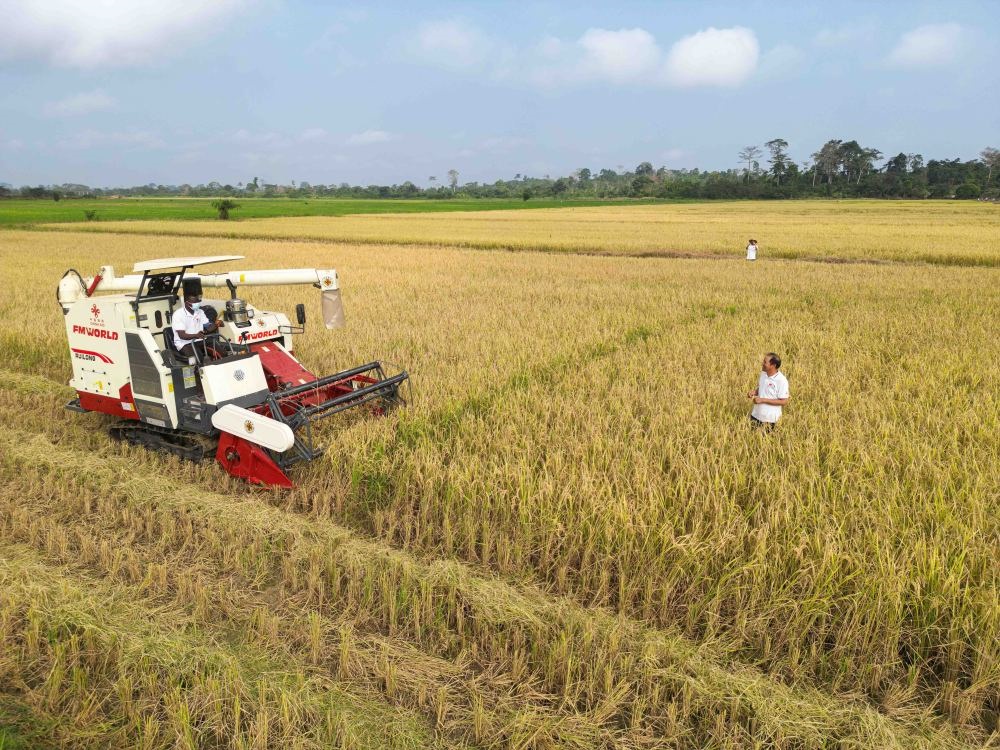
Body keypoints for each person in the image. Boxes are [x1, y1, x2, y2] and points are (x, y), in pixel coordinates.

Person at [172, 277, 220, 358]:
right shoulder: (178, 314)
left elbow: (208, 326)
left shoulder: (200, 312)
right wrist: (196, 335)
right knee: (199, 358)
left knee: (222, 353)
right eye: (195, 302)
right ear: (187, 303)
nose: (197, 304)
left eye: (198, 302)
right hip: (185, 344)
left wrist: (216, 324)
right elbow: (182, 335)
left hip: (200, 340)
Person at [748, 352, 789, 429]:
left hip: (770, 420)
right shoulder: (763, 374)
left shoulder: (781, 381)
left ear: (773, 365)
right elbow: (763, 388)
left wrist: (763, 400)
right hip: (756, 416)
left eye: (765, 362)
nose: (762, 363)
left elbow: (784, 401)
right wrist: (755, 392)